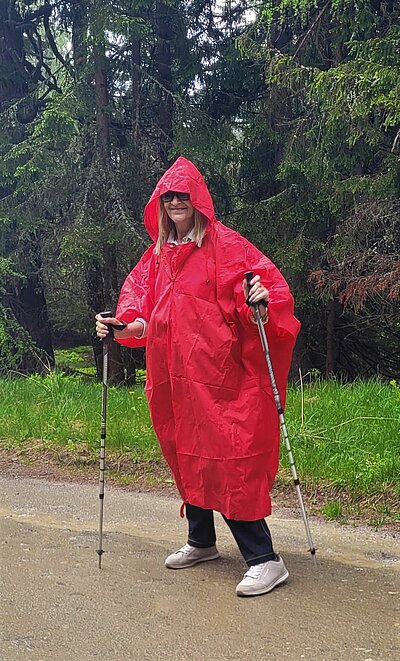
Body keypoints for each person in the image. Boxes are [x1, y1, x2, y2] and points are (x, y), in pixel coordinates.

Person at [95, 156, 300, 597]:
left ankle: (265, 559)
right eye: (168, 196)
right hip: (173, 378)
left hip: (222, 377)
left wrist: (259, 303)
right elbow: (144, 317)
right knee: (185, 451)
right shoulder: (157, 257)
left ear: (198, 201)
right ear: (159, 203)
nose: (174, 202)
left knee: (228, 458)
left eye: (182, 195)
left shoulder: (227, 246)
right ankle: (202, 540)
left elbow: (261, 296)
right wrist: (121, 326)